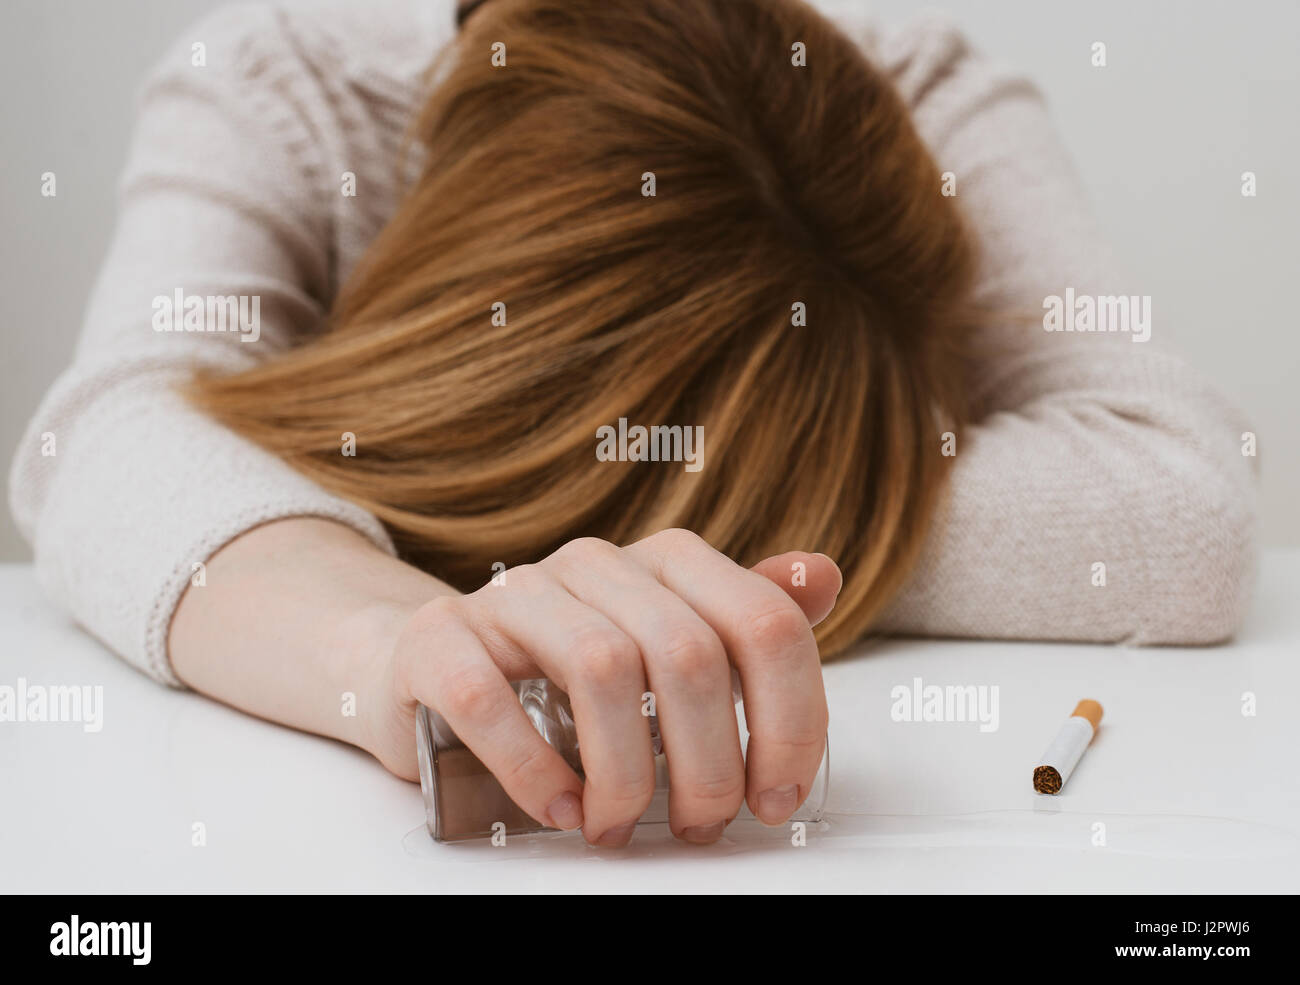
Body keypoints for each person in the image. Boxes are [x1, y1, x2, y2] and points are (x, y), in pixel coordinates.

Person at [9, 0, 1256, 848]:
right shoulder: (284, 77)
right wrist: (402, 643)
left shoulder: (921, 87)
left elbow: (1179, 500)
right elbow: (102, 437)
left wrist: (584, 539)